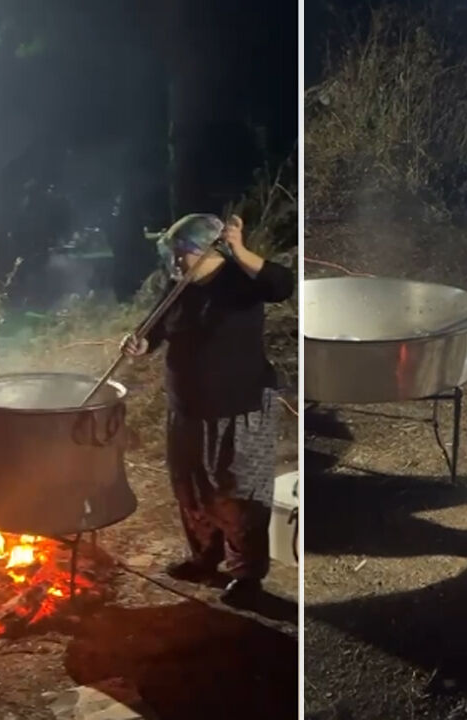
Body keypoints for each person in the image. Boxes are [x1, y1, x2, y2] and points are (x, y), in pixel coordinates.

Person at [122, 213, 293, 608]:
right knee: (191, 487)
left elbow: (281, 284)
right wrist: (141, 343)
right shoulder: (179, 285)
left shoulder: (240, 281)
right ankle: (206, 557)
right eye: (174, 255)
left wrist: (241, 251)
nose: (176, 263)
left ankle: (247, 575)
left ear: (207, 251)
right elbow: (157, 325)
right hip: (186, 407)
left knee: (238, 493)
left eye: (183, 254)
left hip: (239, 407)